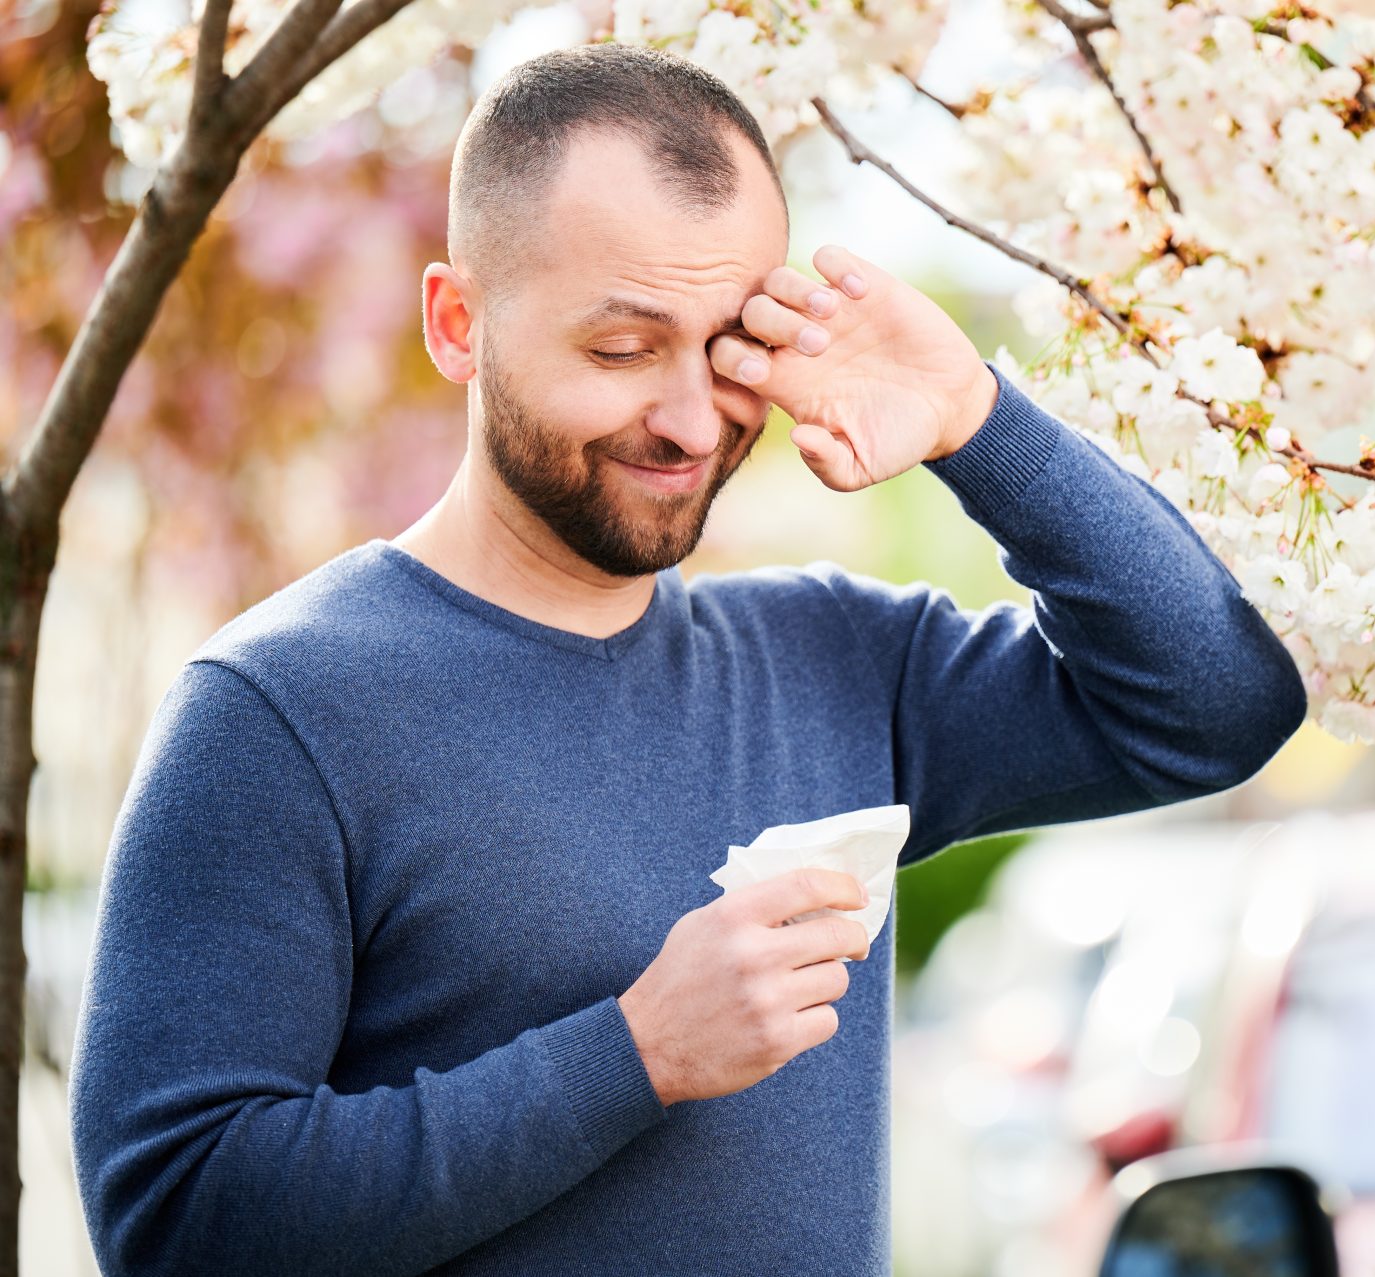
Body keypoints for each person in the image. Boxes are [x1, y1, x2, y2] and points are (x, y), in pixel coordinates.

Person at [68, 42, 1306, 1277]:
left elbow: (1217, 705)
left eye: (726, 346)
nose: (689, 418)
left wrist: (976, 420)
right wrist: (637, 1052)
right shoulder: (278, 713)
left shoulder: (838, 662)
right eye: (620, 349)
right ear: (458, 323)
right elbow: (175, 1217)